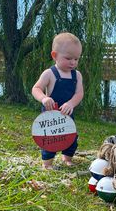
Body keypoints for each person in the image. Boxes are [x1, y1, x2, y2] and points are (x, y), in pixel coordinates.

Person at [32, 32, 84, 169]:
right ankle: (47, 164)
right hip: (51, 113)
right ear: (54, 55)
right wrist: (44, 98)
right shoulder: (49, 73)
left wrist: (71, 103)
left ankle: (67, 159)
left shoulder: (77, 75)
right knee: (50, 139)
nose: (73, 62)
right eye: (68, 58)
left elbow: (79, 93)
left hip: (67, 112)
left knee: (71, 137)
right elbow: (36, 88)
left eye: (76, 59)